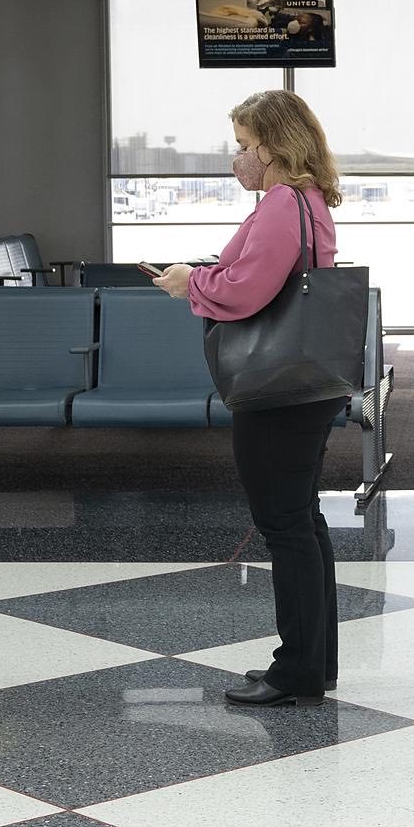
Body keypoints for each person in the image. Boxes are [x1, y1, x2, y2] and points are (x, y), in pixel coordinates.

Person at [154, 90, 343, 708]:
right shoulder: (310, 200)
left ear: (274, 146)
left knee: (283, 525)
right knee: (303, 520)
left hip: (275, 389)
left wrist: (191, 283)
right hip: (307, 383)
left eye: (243, 146)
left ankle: (294, 672)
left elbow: (250, 289)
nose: (238, 158)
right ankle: (313, 661)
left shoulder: (283, 202)